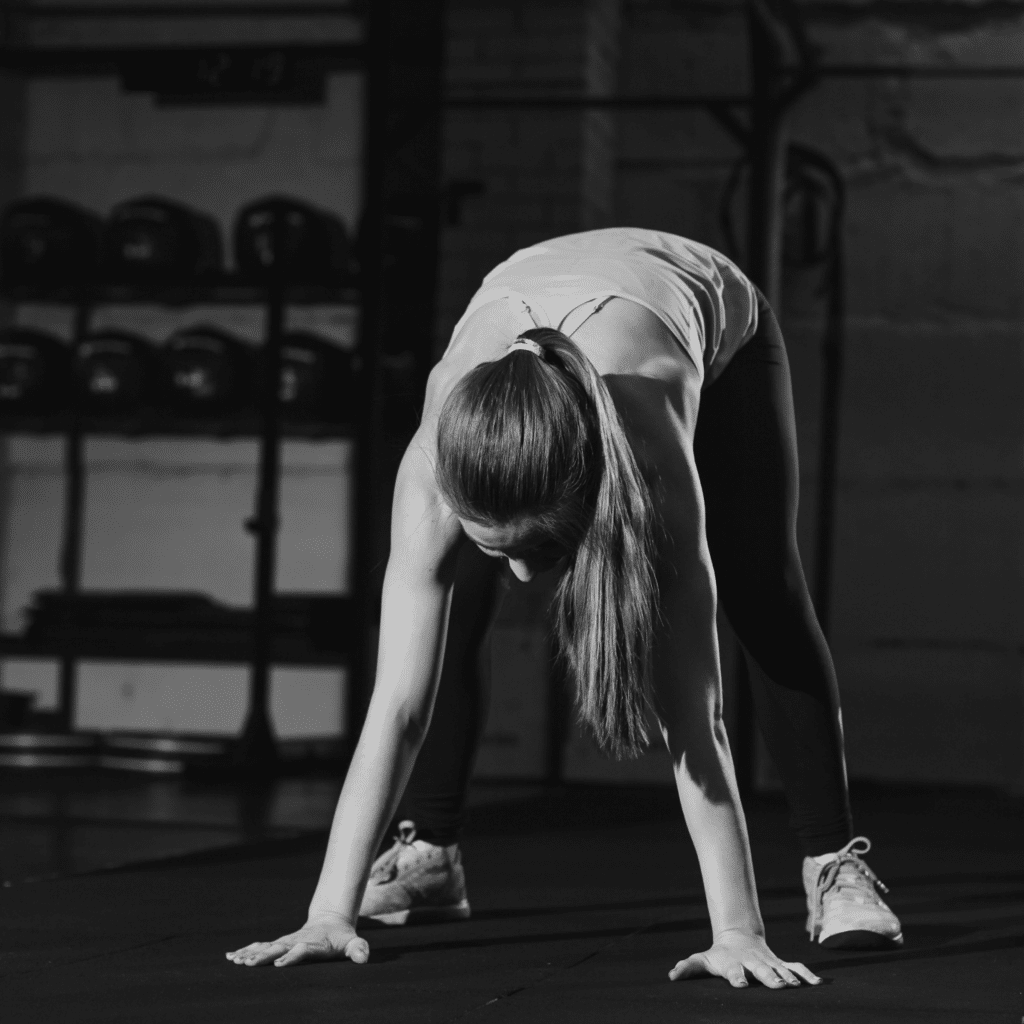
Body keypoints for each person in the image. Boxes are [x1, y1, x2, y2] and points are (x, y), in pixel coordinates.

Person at [226, 227, 900, 984]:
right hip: (534, 285)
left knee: (763, 585)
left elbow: (697, 716)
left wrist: (738, 931)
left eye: (541, 550)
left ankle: (833, 863)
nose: (522, 576)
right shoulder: (429, 465)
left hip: (705, 308)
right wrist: (328, 913)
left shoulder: (647, 456)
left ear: (588, 498)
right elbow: (397, 706)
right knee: (453, 614)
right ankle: (429, 853)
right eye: (497, 546)